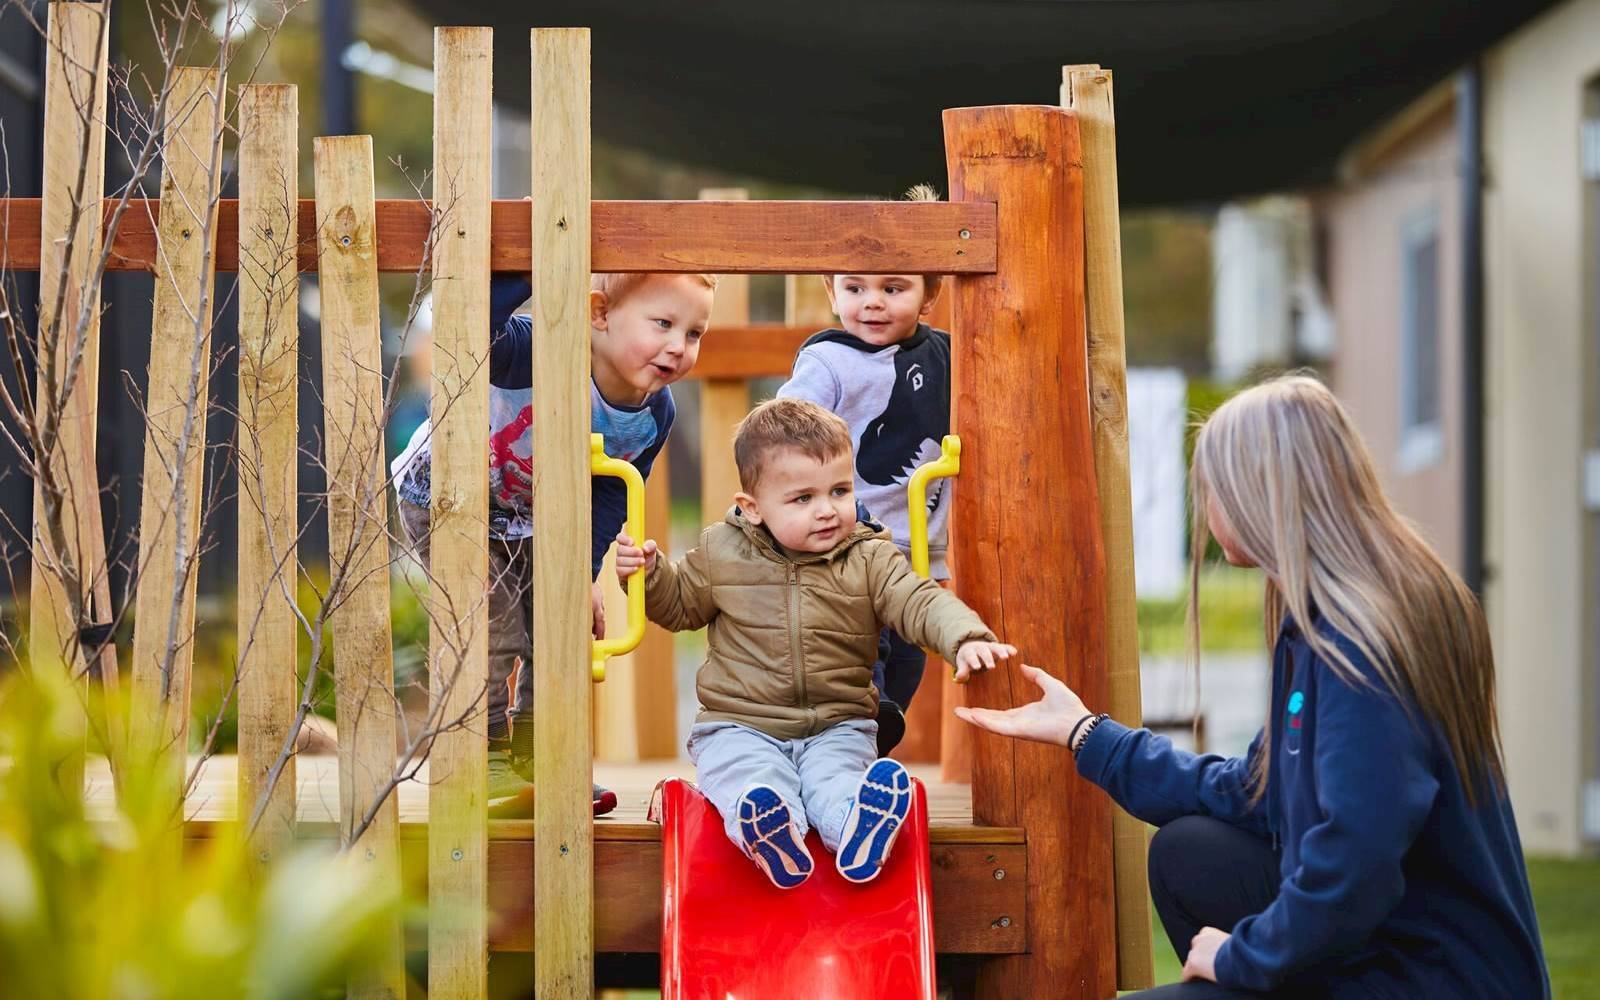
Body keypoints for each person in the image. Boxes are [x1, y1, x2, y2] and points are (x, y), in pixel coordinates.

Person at [956, 375, 1550, 998]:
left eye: (1213, 489)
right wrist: (1087, 735)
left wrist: (1244, 957)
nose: (1207, 512)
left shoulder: (1359, 643)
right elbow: (1256, 790)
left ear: (1260, 497)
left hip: (1434, 978)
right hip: (1389, 942)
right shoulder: (1324, 617)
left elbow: (1355, 861)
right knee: (1188, 854)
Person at [615, 398, 1015, 887]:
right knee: (746, 777)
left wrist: (965, 636)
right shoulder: (723, 551)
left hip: (837, 723)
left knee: (837, 779)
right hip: (740, 723)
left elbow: (919, 601)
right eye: (802, 499)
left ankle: (856, 826)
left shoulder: (870, 556)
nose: (827, 510)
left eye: (839, 491)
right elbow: (679, 606)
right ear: (753, 509)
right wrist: (652, 576)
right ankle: (770, 829)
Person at [393, 271, 716, 815]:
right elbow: (469, 329)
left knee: (558, 625)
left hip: (532, 517)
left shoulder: (653, 414)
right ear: (598, 313)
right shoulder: (533, 348)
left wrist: (581, 577)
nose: (677, 347)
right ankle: (485, 753)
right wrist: (529, 262)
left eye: (694, 333)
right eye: (663, 324)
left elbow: (610, 497)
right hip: (449, 502)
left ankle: (542, 756)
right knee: (491, 624)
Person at [776, 184, 950, 755]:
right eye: (855, 287)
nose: (871, 302)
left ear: (930, 293)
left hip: (917, 551)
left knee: (906, 661)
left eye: (893, 287)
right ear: (832, 291)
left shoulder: (947, 356)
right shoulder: (828, 360)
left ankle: (863, 753)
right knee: (861, 658)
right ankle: (847, 749)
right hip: (843, 546)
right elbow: (785, 429)